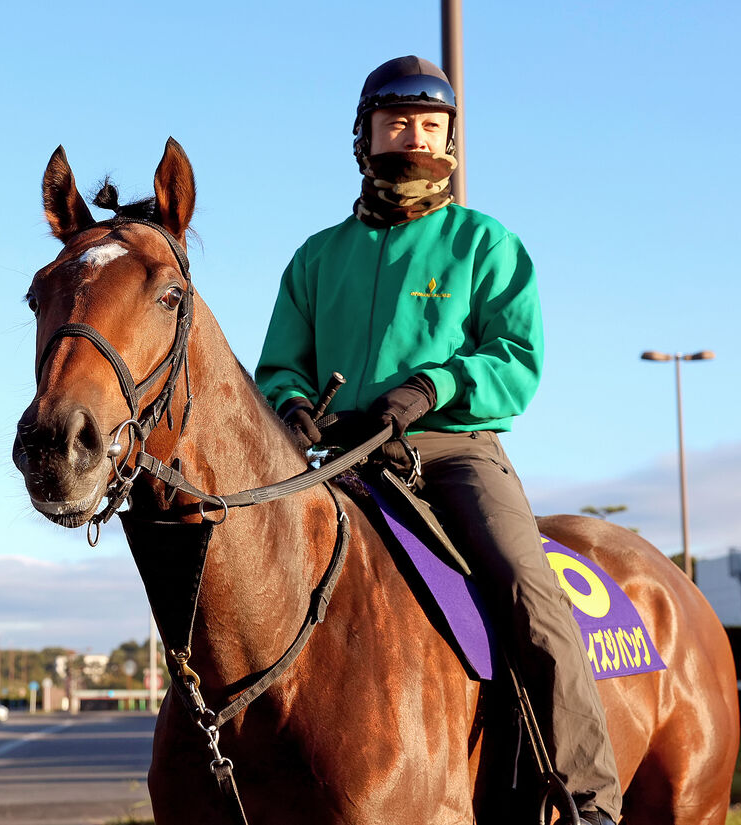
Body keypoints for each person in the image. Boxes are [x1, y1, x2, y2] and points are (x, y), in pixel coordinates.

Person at [254, 55, 621, 825]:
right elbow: (280, 365)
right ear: (364, 137)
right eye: (396, 122)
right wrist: (290, 409)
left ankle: (589, 802)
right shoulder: (315, 257)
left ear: (451, 141)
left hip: (453, 455)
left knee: (529, 593)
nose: (412, 137)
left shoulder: (486, 245)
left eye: (429, 124)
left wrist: (436, 386)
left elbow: (516, 360)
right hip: (343, 463)